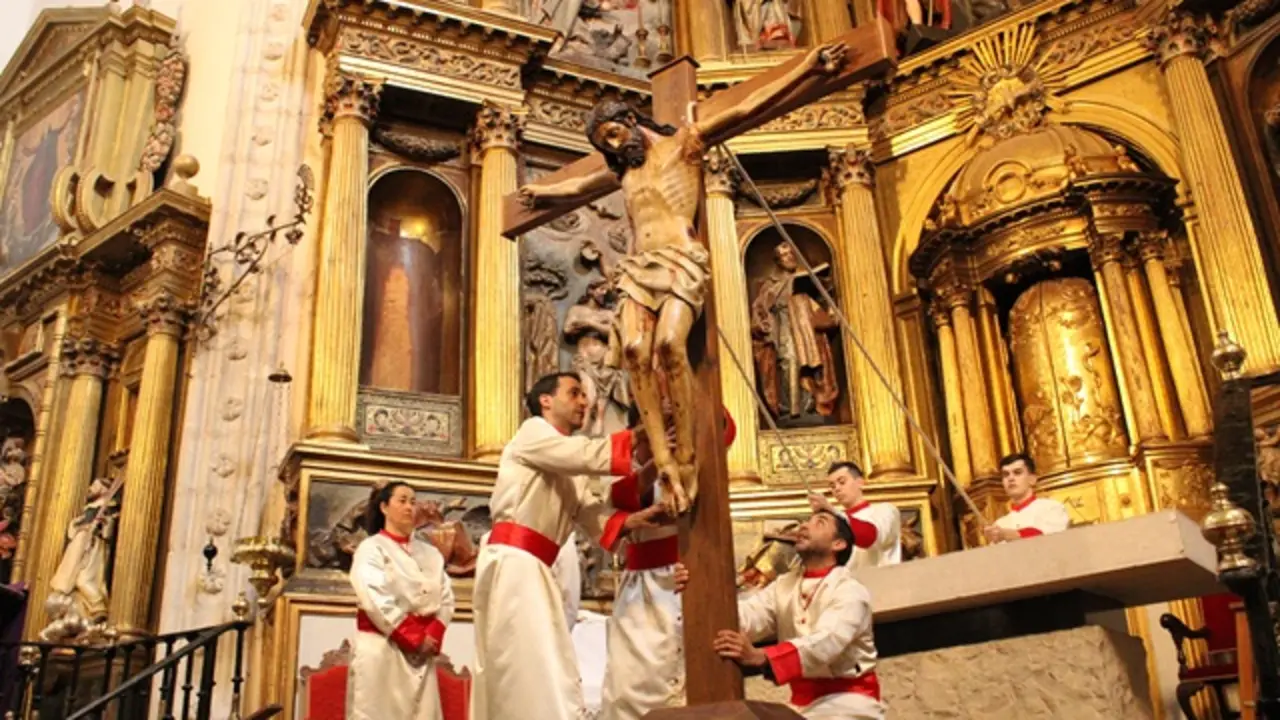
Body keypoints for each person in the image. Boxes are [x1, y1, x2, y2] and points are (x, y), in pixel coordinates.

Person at [519, 41, 849, 515]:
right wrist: (540, 193)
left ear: (631, 122)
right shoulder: (623, 176)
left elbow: (749, 104)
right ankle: (665, 459)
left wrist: (807, 71)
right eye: (604, 143)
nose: (613, 146)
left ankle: (688, 457)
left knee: (670, 346)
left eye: (613, 134)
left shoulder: (685, 143)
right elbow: (577, 185)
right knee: (634, 351)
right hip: (639, 268)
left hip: (680, 258)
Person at [471, 372, 670, 720]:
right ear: (545, 400)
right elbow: (585, 456)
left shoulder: (566, 459)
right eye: (574, 393)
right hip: (515, 563)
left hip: (534, 568)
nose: (584, 402)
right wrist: (645, 429)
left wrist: (651, 477)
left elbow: (593, 507)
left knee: (541, 668)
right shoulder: (533, 432)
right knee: (527, 670)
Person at [600, 406, 737, 720]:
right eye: (653, 431)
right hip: (640, 593)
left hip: (689, 579)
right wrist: (655, 462)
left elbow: (723, 428)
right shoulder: (627, 471)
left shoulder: (699, 465)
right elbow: (615, 503)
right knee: (631, 684)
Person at [709, 510, 884, 719]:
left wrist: (762, 656)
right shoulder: (784, 585)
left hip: (849, 704)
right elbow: (749, 615)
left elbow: (827, 641)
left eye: (819, 523)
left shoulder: (850, 591)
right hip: (799, 705)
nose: (804, 526)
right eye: (806, 521)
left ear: (838, 544)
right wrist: (707, 597)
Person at [347, 482, 455, 720]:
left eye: (414, 502)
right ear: (384, 507)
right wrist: (414, 637)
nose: (409, 507)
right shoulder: (371, 548)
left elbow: (446, 597)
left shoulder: (431, 553)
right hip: (382, 648)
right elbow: (374, 598)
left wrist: (434, 634)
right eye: (402, 500)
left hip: (423, 654)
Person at [808, 461, 901, 569]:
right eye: (832, 486)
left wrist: (832, 511)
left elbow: (870, 537)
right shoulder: (835, 520)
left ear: (860, 482)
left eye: (842, 482)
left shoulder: (886, 510)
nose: (837, 489)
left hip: (880, 580)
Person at [983, 452, 1071, 543]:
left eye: (1017, 472)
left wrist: (1006, 534)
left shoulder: (1052, 508)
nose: (1011, 478)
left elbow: (1047, 538)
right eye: (1006, 475)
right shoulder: (1000, 524)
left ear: (1032, 479)